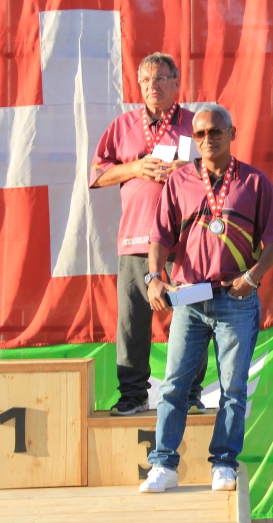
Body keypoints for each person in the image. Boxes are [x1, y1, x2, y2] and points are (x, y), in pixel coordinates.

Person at [139, 104, 273, 493]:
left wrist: (253, 278)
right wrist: (154, 277)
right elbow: (159, 237)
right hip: (189, 298)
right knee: (173, 384)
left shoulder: (255, 184)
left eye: (216, 131)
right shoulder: (180, 181)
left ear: (232, 132)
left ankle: (223, 462)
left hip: (235, 300)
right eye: (201, 133)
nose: (208, 139)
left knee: (233, 389)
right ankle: (163, 465)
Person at [90, 52, 206, 416]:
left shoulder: (197, 123)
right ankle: (134, 395)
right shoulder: (122, 126)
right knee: (131, 321)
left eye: (160, 79)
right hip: (136, 238)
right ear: (138, 86)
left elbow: (223, 169)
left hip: (187, 241)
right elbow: (96, 175)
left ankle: (189, 394)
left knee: (192, 317)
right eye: (146, 81)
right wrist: (136, 167)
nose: (153, 86)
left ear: (176, 83)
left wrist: (189, 168)